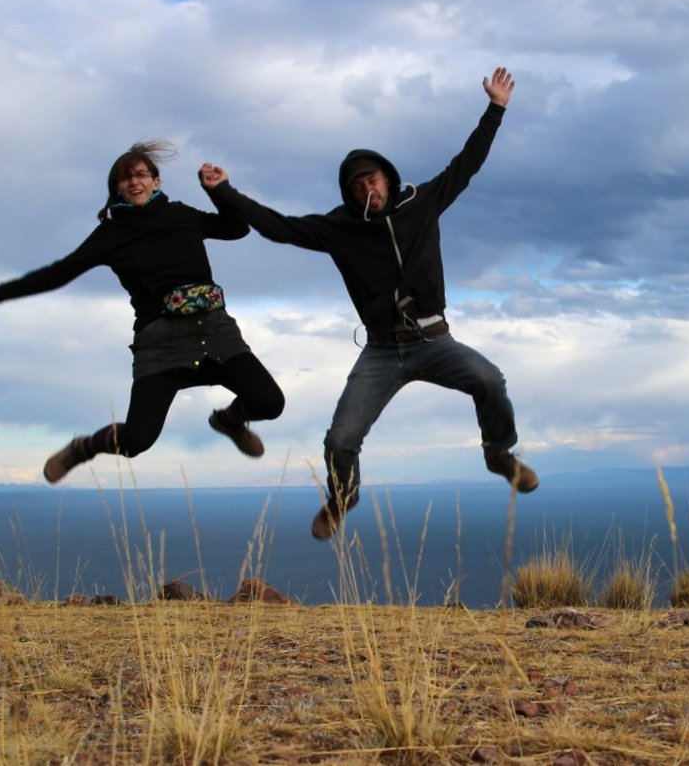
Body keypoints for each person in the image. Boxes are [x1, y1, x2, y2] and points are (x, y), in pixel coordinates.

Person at [199, 67, 537, 541]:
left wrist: (495, 109)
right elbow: (278, 226)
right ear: (348, 191)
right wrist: (224, 193)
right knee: (340, 440)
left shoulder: (422, 202)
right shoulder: (339, 228)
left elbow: (468, 163)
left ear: (387, 176)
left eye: (373, 180)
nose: (367, 190)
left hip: (434, 339)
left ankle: (499, 454)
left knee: (489, 379)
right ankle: (343, 496)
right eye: (357, 186)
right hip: (381, 351)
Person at [0, 141, 284, 483]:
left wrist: (219, 191)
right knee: (135, 441)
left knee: (269, 403)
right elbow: (59, 272)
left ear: (156, 181)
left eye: (141, 175)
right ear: (116, 188)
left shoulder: (180, 215)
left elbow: (237, 229)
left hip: (215, 333)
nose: (134, 183)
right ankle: (83, 447)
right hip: (160, 345)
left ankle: (229, 421)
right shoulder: (111, 234)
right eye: (125, 178)